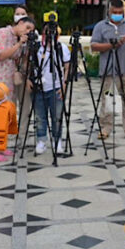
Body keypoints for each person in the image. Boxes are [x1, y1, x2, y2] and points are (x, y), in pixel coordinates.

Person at [0, 16, 34, 161]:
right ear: (20, 22)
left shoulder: (17, 40)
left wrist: (25, 47)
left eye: (31, 31)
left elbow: (18, 59)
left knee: (3, 116)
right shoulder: (2, 33)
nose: (27, 32)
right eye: (27, 28)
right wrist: (19, 44)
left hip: (6, 83)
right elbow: (1, 55)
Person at [90, 0, 125, 141]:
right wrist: (111, 45)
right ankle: (105, 129)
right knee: (108, 101)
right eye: (115, 12)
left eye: (120, 12)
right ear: (109, 11)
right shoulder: (101, 26)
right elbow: (94, 46)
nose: (118, 14)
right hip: (109, 71)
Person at [33, 22, 70, 155]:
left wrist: (64, 83)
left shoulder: (61, 48)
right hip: (39, 88)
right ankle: (41, 140)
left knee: (57, 116)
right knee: (40, 117)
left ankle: (57, 140)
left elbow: (67, 66)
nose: (50, 36)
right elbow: (29, 63)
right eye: (47, 33)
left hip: (56, 87)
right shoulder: (37, 48)